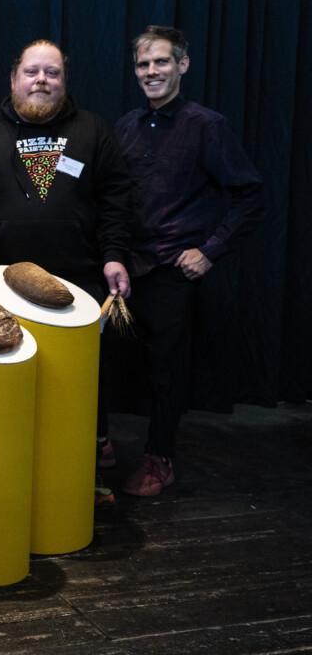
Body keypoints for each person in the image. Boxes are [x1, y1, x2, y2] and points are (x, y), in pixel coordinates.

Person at [0, 40, 134, 498]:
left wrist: (114, 254)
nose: (41, 81)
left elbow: (116, 201)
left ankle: (79, 481)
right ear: (14, 77)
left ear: (64, 81)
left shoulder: (94, 131)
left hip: (79, 285)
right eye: (32, 72)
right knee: (7, 392)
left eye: (51, 73)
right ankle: (5, 484)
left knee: (73, 394)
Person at [110, 25, 263, 497]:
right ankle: (102, 447)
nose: (151, 71)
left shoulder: (206, 125)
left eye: (160, 62)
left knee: (166, 372)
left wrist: (210, 250)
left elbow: (251, 196)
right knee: (108, 363)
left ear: (182, 65)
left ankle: (160, 459)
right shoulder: (126, 126)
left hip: (172, 271)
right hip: (126, 268)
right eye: (143, 64)